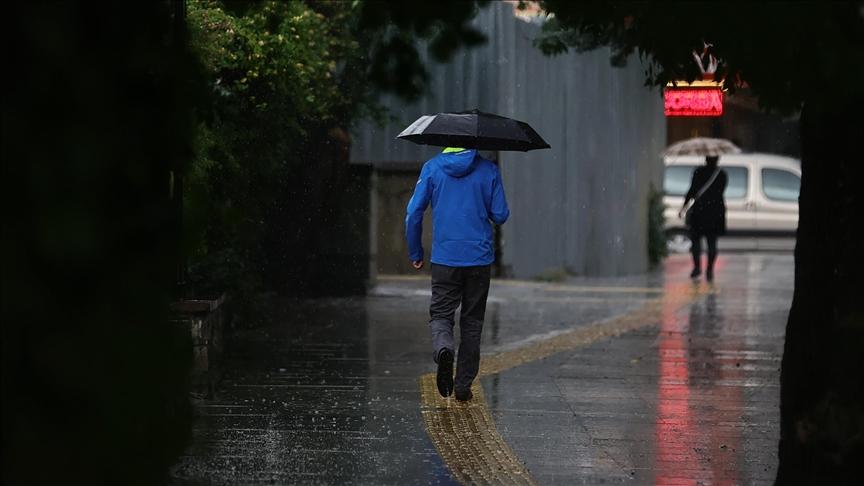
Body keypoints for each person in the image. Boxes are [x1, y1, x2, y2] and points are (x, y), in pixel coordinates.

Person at [405, 147, 509, 401]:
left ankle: (443, 349)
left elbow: (413, 213)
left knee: (441, 314)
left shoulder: (433, 167)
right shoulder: (489, 169)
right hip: (479, 258)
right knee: (472, 322)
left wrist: (415, 251)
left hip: (445, 258)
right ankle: (463, 385)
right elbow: (500, 214)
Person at [678, 154, 728, 282]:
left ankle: (697, 267)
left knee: (696, 241)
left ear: (706, 159)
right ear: (717, 159)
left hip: (699, 211)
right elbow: (720, 192)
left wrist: (684, 207)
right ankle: (710, 269)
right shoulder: (722, 175)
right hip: (715, 212)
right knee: (712, 242)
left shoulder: (698, 172)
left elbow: (692, 191)